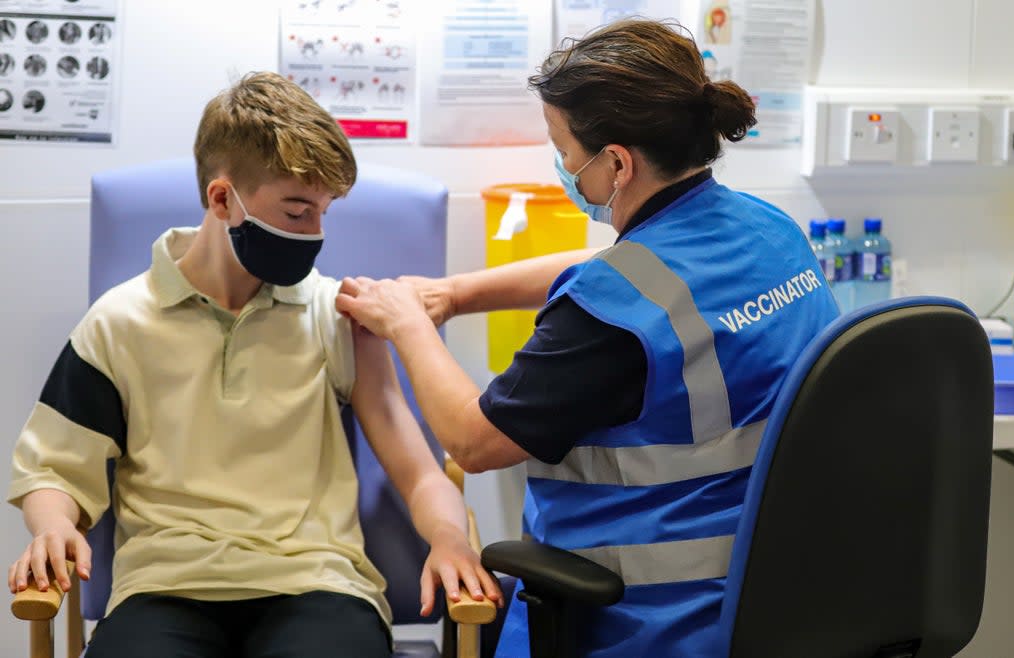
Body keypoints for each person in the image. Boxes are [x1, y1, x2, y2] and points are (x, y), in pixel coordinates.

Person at [335, 19, 839, 657]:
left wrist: (407, 321)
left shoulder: (608, 319)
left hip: (650, 619)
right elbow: (622, 272)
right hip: (780, 593)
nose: (563, 167)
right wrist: (457, 293)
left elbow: (473, 440)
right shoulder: (768, 230)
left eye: (564, 149)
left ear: (617, 164)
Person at [7, 72, 500, 658]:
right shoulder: (119, 322)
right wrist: (53, 526)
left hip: (317, 584)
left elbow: (419, 471)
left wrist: (449, 538)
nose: (315, 234)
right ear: (222, 199)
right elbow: (55, 471)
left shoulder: (337, 315)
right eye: (297, 212)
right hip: (166, 586)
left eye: (323, 213)